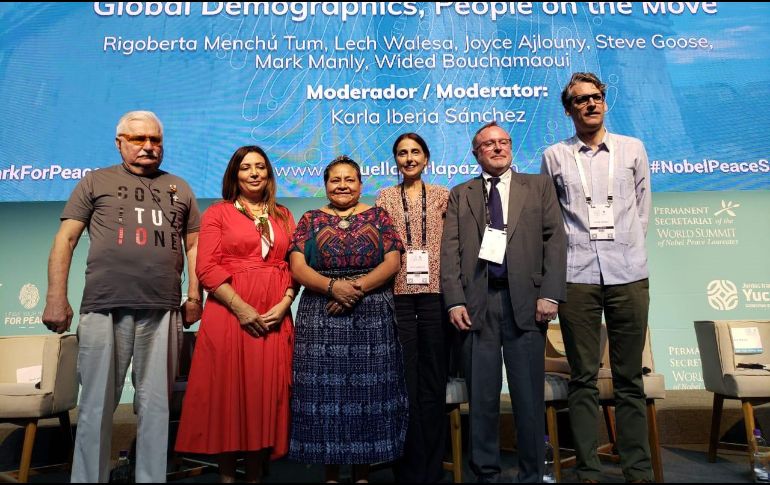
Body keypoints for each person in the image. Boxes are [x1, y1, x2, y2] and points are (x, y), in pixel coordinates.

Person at [41, 110, 202, 483]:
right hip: (104, 306)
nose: (149, 147)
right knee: (97, 404)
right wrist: (55, 297)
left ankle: (149, 478)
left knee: (156, 405)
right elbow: (65, 239)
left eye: (155, 140)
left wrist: (194, 295)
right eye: (138, 139)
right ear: (120, 143)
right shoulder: (95, 181)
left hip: (163, 309)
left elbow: (194, 245)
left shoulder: (180, 187)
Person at [541, 72, 653, 483]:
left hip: (628, 273)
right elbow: (551, 220)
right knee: (583, 378)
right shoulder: (555, 155)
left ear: (604, 101)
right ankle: (588, 471)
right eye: (581, 100)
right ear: (568, 109)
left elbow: (642, 211)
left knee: (628, 377)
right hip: (577, 275)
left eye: (597, 97)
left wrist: (626, 248)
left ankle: (637, 469)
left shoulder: (632, 149)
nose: (591, 104)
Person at [441, 122, 567, 483]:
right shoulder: (461, 193)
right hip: (477, 307)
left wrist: (550, 293)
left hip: (527, 303)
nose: (498, 148)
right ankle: (486, 474)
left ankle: (531, 474)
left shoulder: (539, 186)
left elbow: (555, 241)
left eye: (503, 142)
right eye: (488, 144)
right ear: (476, 153)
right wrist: (453, 301)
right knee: (481, 399)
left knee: (528, 397)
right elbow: (449, 251)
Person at [175, 146, 297, 483]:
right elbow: (207, 266)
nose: (254, 173)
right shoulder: (218, 213)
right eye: (246, 168)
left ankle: (256, 475)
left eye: (260, 167)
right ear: (235, 175)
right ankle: (228, 476)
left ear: (269, 174)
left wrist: (286, 302)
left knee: (264, 397)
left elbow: (293, 265)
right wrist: (241, 307)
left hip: (274, 315)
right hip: (229, 315)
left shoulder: (284, 215)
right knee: (229, 396)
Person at [288, 156, 409, 483]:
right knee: (324, 396)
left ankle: (363, 474)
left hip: (371, 314)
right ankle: (330, 474)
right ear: (325, 185)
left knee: (369, 397)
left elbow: (392, 261)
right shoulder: (310, 219)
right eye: (335, 180)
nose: (342, 185)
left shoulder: (379, 216)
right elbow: (298, 267)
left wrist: (353, 289)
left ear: (360, 183)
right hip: (320, 316)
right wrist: (332, 288)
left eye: (349, 179)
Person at [375, 133, 450, 483]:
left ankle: (432, 468)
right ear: (396, 159)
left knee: (433, 384)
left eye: (415, 152)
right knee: (405, 384)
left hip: (436, 296)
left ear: (426, 157)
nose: (409, 158)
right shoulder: (385, 198)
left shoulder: (442, 196)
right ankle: (407, 468)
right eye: (402, 153)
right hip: (399, 297)